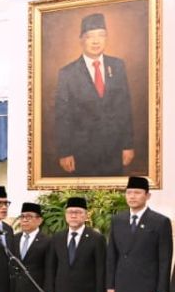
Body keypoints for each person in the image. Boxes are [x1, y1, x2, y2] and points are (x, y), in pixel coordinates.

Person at [54, 13, 135, 177]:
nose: (96, 41)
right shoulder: (67, 73)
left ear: (107, 38)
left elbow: (124, 108)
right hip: (81, 151)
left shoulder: (118, 66)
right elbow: (63, 116)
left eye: (101, 35)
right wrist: (65, 151)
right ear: (81, 40)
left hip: (114, 148)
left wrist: (128, 145)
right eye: (90, 37)